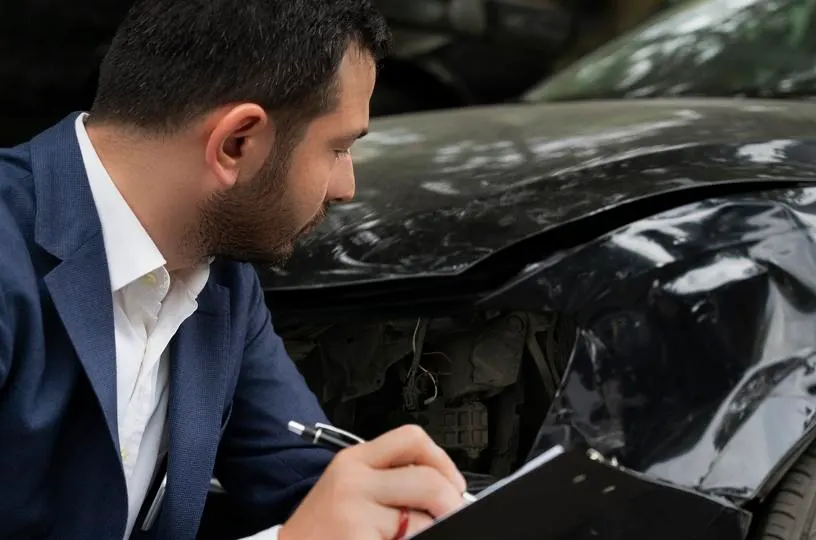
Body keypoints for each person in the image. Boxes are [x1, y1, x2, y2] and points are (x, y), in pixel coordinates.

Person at [0, 0, 468, 539]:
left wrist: (407, 513)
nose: (347, 187)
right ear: (236, 143)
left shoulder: (221, 280)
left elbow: (306, 481)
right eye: (338, 148)